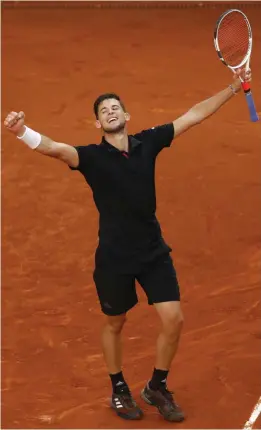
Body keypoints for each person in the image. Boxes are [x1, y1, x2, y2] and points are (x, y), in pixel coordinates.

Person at [4, 68, 251, 422]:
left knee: (174, 318)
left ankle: (156, 386)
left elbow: (192, 115)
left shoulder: (148, 142)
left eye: (115, 107)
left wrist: (232, 88)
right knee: (115, 323)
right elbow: (54, 149)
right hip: (114, 258)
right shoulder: (90, 157)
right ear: (98, 123)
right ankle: (119, 388)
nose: (110, 111)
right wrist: (21, 132)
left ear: (127, 115)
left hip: (152, 250)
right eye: (103, 110)